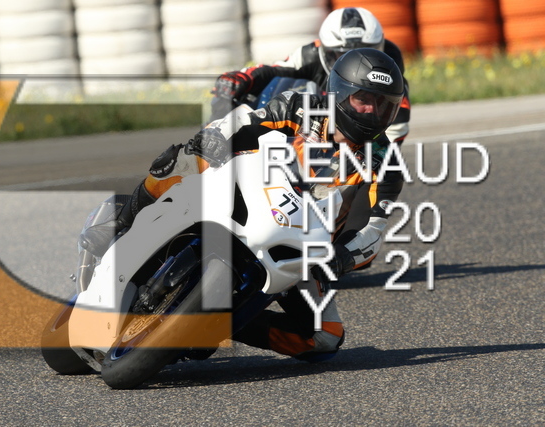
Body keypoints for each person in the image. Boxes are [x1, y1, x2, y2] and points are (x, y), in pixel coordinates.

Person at [79, 48, 405, 361]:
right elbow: (244, 120)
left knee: (324, 338)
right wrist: (214, 138)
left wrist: (343, 258)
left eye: (383, 105)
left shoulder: (386, 162)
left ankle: (219, 324)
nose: (372, 112)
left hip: (301, 248)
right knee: (183, 158)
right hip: (249, 194)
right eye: (363, 100)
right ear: (339, 93)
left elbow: (373, 230)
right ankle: (121, 222)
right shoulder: (302, 107)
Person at [210, 6, 411, 144]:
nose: (355, 65)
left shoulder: (389, 66)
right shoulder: (311, 53)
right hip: (318, 127)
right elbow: (273, 69)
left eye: (366, 51)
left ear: (381, 48)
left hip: (361, 142)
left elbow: (396, 127)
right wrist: (241, 78)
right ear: (325, 50)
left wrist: (375, 156)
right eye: (342, 55)